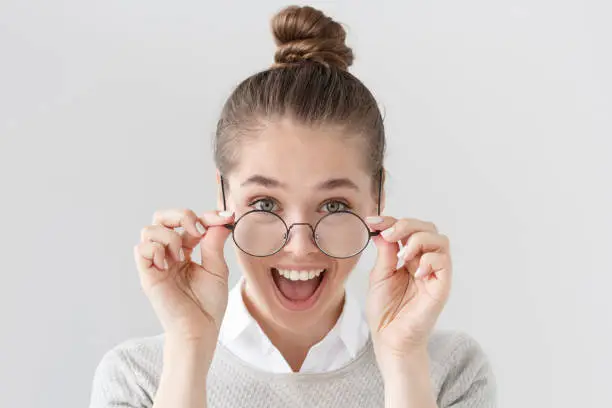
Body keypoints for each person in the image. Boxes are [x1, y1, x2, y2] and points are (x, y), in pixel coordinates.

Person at [89, 5, 496, 408]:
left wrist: (403, 362)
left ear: (378, 197)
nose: (300, 246)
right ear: (223, 198)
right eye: (265, 203)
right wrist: (189, 349)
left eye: (334, 205)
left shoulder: (449, 371)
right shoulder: (138, 377)